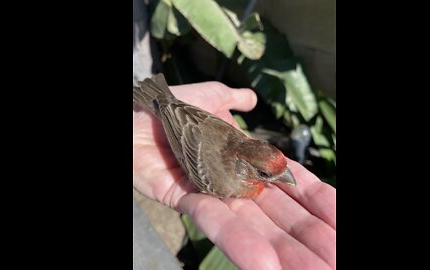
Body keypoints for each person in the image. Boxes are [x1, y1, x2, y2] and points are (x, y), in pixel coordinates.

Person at [133, 80, 336, 270]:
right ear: (241, 164)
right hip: (175, 123)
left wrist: (169, 104)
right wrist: (166, 106)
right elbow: (183, 147)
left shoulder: (240, 140)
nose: (287, 177)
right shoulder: (221, 183)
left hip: (176, 109)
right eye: (264, 173)